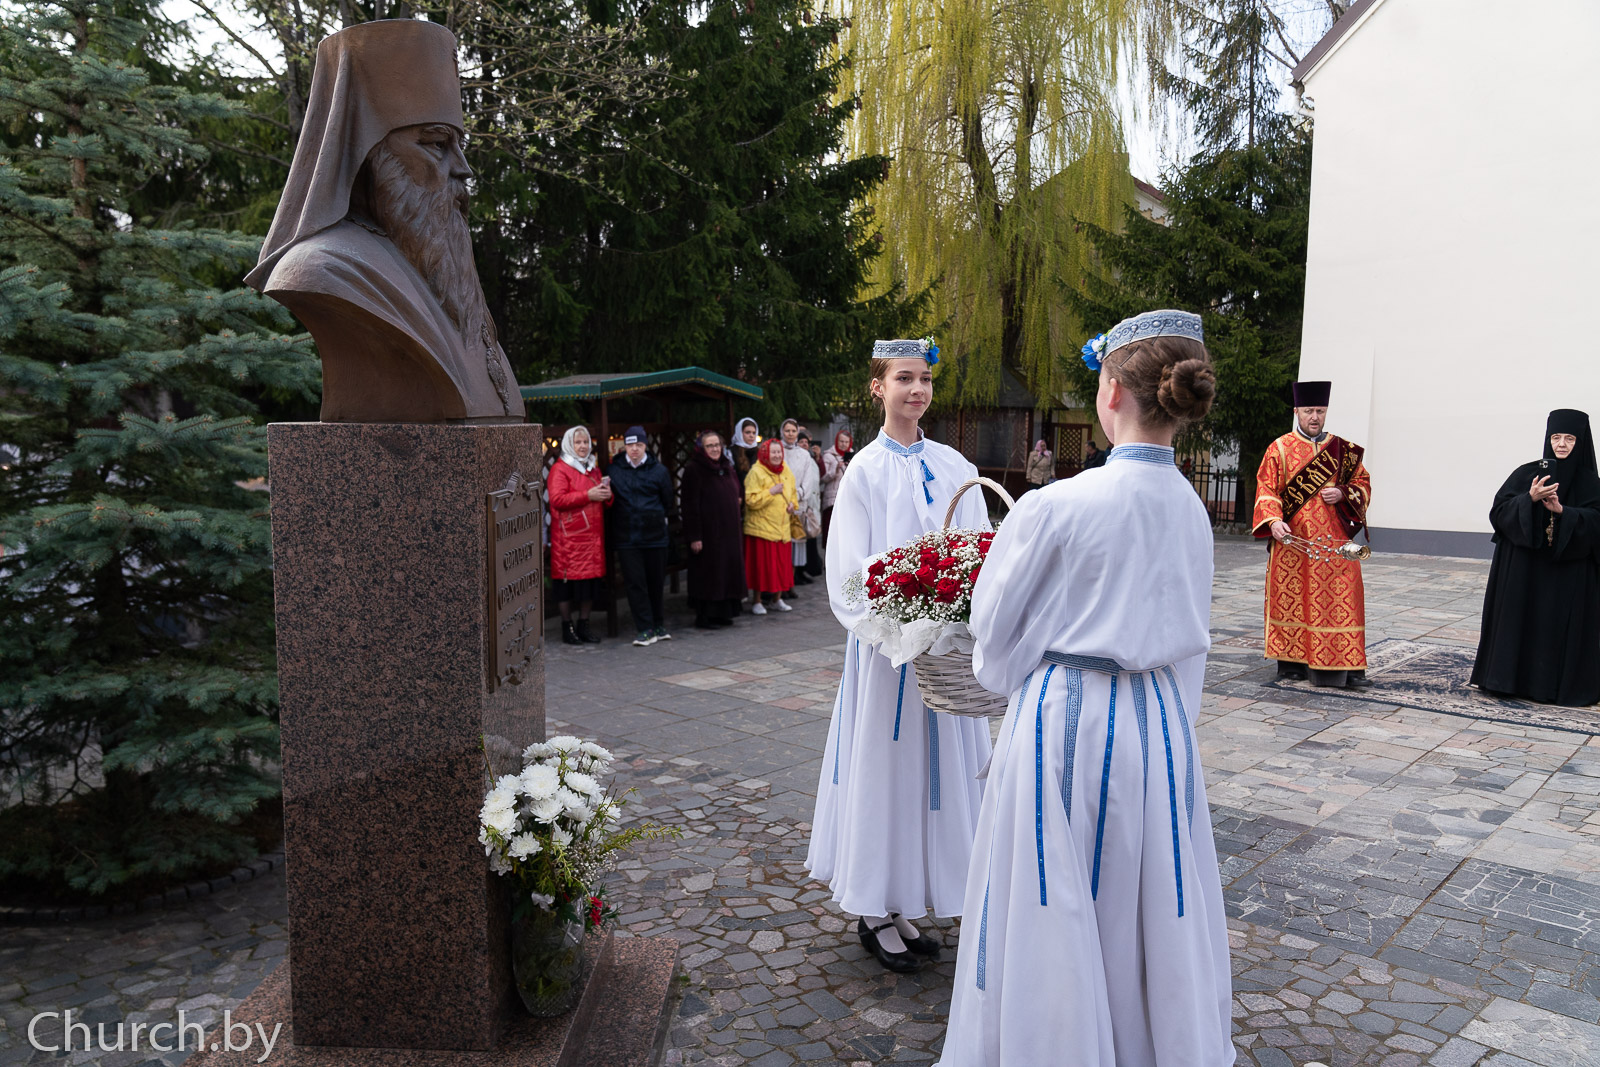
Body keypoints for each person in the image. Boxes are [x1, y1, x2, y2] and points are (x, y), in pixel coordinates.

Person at [937, 310, 1231, 1067]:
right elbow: (1193, 640)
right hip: (1160, 722)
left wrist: (1015, 677)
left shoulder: (1058, 505)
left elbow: (995, 629)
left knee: (1051, 895)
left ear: (1111, 392)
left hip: (1064, 718)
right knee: (1149, 896)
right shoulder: (1193, 511)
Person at [808, 337, 993, 975]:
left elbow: (976, 544)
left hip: (942, 655)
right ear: (878, 387)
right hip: (886, 655)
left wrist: (960, 610)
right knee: (887, 770)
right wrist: (897, 620)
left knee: (932, 775)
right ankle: (874, 910)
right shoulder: (863, 471)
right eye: (903, 378)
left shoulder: (952, 462)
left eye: (925, 380)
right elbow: (848, 569)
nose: (917, 390)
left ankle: (906, 898)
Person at [244, 20, 520, 422]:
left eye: (459, 145)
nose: (463, 168)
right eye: (436, 144)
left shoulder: (444, 277)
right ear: (370, 153)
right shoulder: (324, 267)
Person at [1470, 410, 1600, 706]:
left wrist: (1563, 512)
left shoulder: (1591, 484)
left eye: (1569, 438)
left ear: (1581, 442)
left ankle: (1556, 686)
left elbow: (1597, 524)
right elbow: (1498, 514)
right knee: (1521, 624)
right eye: (1556, 437)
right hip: (1525, 575)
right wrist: (1529, 499)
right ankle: (1509, 681)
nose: (1562, 444)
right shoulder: (1526, 474)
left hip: (1567, 579)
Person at [1251, 382, 1373, 688]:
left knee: (1344, 599)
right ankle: (1292, 664)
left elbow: (1363, 484)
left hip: (1336, 545)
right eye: (1308, 411)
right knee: (1294, 600)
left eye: (1320, 410)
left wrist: (1343, 492)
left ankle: (1349, 667)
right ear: (1297, 412)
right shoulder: (1279, 449)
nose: (1315, 417)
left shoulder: (1343, 450)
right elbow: (1266, 490)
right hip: (1294, 544)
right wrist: (1274, 521)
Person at [608, 425, 674, 646]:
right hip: (628, 537)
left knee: (656, 582)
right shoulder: (614, 470)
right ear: (624, 446)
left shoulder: (659, 471)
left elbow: (667, 500)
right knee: (636, 584)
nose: (634, 449)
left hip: (655, 536)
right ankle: (645, 628)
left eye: (638, 444)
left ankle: (658, 624)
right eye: (630, 445)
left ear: (645, 445)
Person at [546, 426, 611, 645]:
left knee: (589, 584)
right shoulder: (560, 469)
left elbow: (601, 498)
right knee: (566, 587)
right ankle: (567, 627)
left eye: (585, 442)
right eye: (578, 442)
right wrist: (588, 495)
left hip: (592, 538)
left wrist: (607, 495)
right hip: (569, 540)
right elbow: (557, 500)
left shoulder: (592, 468)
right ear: (569, 444)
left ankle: (584, 625)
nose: (583, 446)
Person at [681, 430, 746, 629]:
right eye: (710, 446)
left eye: (717, 445)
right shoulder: (694, 469)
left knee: (726, 573)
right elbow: (689, 505)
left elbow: (737, 490)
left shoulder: (726, 467)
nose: (715, 449)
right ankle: (705, 616)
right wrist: (695, 536)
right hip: (708, 534)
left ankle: (723, 613)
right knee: (709, 575)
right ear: (702, 448)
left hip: (728, 533)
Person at [743, 438, 801, 615]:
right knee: (762, 568)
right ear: (765, 454)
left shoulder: (786, 470)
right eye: (773, 452)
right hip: (762, 529)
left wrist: (792, 505)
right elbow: (750, 500)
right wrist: (771, 492)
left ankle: (777, 599)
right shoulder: (756, 472)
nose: (776, 455)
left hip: (782, 528)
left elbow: (792, 493)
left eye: (778, 452)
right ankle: (757, 601)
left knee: (781, 568)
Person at [782, 419, 821, 589]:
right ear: (782, 432)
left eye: (793, 431)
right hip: (782, 502)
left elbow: (808, 479)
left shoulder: (804, 455)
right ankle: (784, 580)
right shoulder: (779, 450)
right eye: (787, 430)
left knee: (798, 542)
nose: (790, 434)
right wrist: (787, 495)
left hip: (799, 503)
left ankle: (795, 576)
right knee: (784, 544)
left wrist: (798, 494)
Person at [798, 430, 825, 578]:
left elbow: (821, 475)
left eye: (806, 442)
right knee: (801, 538)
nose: (804, 444)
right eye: (801, 442)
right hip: (803, 502)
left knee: (811, 535)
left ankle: (811, 567)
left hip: (813, 502)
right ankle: (801, 570)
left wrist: (818, 457)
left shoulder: (811, 459)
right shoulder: (798, 459)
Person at [821, 429, 854, 546]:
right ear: (836, 441)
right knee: (831, 532)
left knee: (845, 534)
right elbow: (823, 478)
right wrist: (835, 469)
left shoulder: (853, 456)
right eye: (841, 441)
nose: (844, 444)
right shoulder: (828, 456)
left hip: (848, 499)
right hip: (832, 500)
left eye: (846, 442)